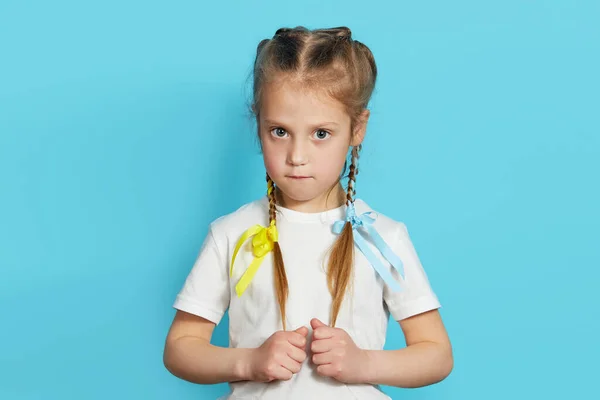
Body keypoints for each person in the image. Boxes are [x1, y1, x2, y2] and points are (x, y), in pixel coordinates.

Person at [163, 26, 453, 399]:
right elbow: (181, 347)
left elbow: (437, 354)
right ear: (259, 124)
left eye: (320, 133)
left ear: (357, 128)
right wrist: (248, 362)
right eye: (280, 131)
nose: (297, 157)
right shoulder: (232, 233)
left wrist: (364, 363)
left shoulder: (381, 237)